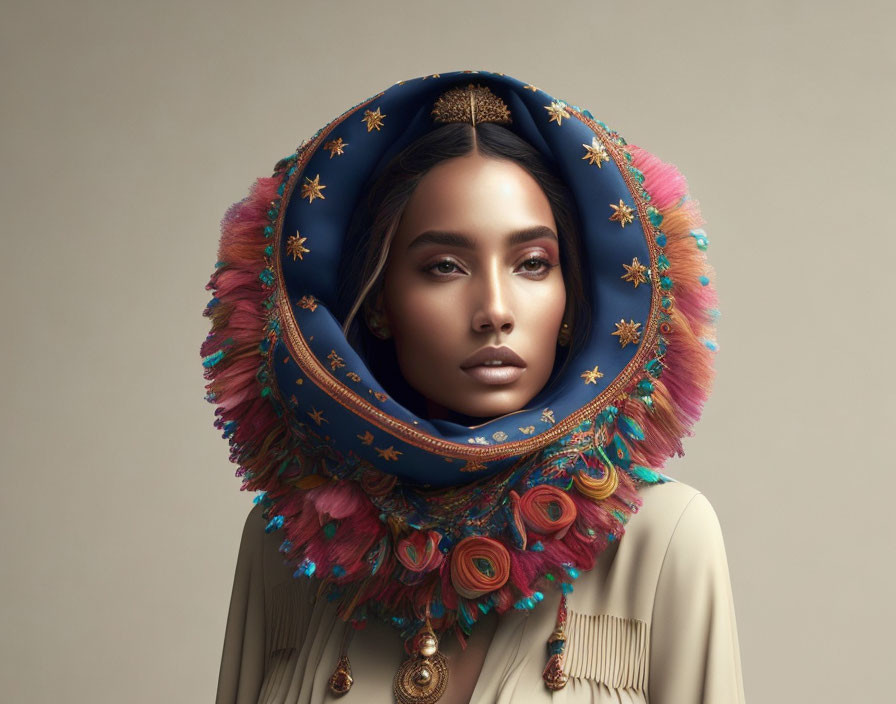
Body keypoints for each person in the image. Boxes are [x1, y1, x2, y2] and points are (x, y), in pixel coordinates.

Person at [202, 71, 746, 704]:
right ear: (379, 303)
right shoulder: (290, 546)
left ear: (571, 295)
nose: (494, 309)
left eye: (532, 264)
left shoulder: (665, 538)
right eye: (445, 267)